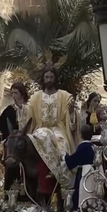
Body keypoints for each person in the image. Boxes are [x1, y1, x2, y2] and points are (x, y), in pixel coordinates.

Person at [22, 65, 78, 193]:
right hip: (41, 128)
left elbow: (72, 122)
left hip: (58, 129)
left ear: (55, 78)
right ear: (43, 78)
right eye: (46, 77)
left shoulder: (64, 96)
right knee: (40, 137)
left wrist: (71, 113)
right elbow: (27, 113)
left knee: (62, 147)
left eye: (51, 77)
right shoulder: (36, 97)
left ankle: (62, 179)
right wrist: (23, 110)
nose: (48, 79)